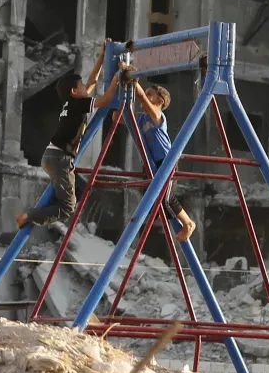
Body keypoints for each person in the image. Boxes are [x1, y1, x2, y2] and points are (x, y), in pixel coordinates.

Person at [16, 41, 125, 229]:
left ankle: (35, 214)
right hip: (60, 157)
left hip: (53, 155)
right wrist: (118, 75)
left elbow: (92, 80)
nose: (86, 87)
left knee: (63, 197)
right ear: (75, 92)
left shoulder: (72, 103)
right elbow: (107, 99)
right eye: (81, 86)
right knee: (67, 207)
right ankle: (28, 216)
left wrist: (101, 56)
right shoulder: (79, 104)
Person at [132, 81, 197, 242]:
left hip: (165, 161)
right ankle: (156, 221)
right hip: (149, 164)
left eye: (150, 95)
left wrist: (132, 82)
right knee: (149, 196)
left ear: (160, 102)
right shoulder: (141, 119)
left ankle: (188, 223)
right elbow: (119, 118)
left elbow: (142, 99)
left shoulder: (157, 116)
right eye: (145, 93)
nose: (145, 97)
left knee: (166, 198)